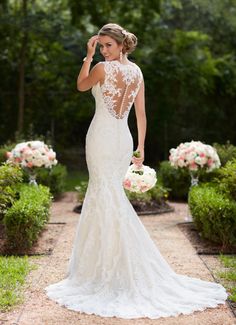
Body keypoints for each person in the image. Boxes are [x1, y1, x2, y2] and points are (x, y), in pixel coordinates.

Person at [45, 23, 227, 319]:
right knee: (110, 195)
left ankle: (106, 268)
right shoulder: (138, 72)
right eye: (100, 46)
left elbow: (80, 86)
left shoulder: (102, 68)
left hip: (102, 136)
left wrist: (87, 56)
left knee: (105, 196)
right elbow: (141, 114)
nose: (104, 50)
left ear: (120, 45)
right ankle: (112, 263)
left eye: (107, 45)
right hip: (123, 138)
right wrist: (140, 148)